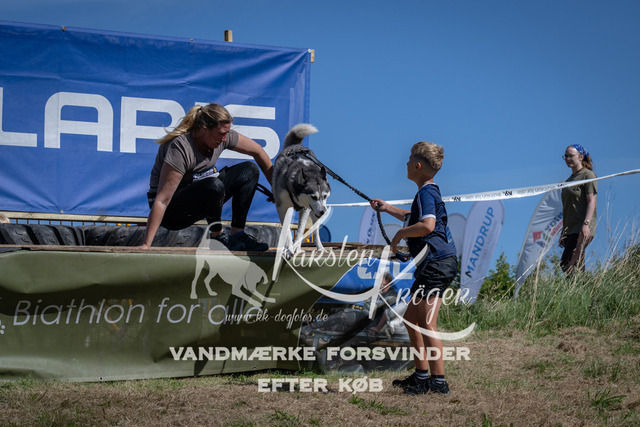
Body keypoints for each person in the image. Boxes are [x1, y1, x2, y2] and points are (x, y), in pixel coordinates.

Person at [370, 141, 457, 396]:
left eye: (409, 160)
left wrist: (399, 235)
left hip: (437, 263)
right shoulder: (427, 193)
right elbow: (415, 218)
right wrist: (387, 208)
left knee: (427, 323)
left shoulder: (427, 193)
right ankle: (420, 376)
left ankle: (438, 382)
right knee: (411, 320)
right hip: (433, 263)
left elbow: (427, 225)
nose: (406, 163)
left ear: (417, 166)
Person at [138, 103, 273, 251]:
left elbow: (258, 151)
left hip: (197, 200)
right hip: (171, 213)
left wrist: (277, 190)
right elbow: (162, 200)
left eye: (227, 133)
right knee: (214, 185)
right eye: (221, 133)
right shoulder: (181, 148)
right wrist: (146, 245)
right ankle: (217, 236)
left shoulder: (221, 137)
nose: (225, 139)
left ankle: (238, 235)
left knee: (249, 170)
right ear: (203, 129)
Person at [559, 144, 597, 274]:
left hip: (582, 228)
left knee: (566, 263)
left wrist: (586, 224)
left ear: (581, 157)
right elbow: (568, 207)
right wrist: (564, 231)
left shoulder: (588, 175)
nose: (567, 158)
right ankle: (584, 287)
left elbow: (591, 201)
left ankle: (575, 287)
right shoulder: (568, 181)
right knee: (577, 266)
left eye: (571, 156)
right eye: (566, 156)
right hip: (570, 229)